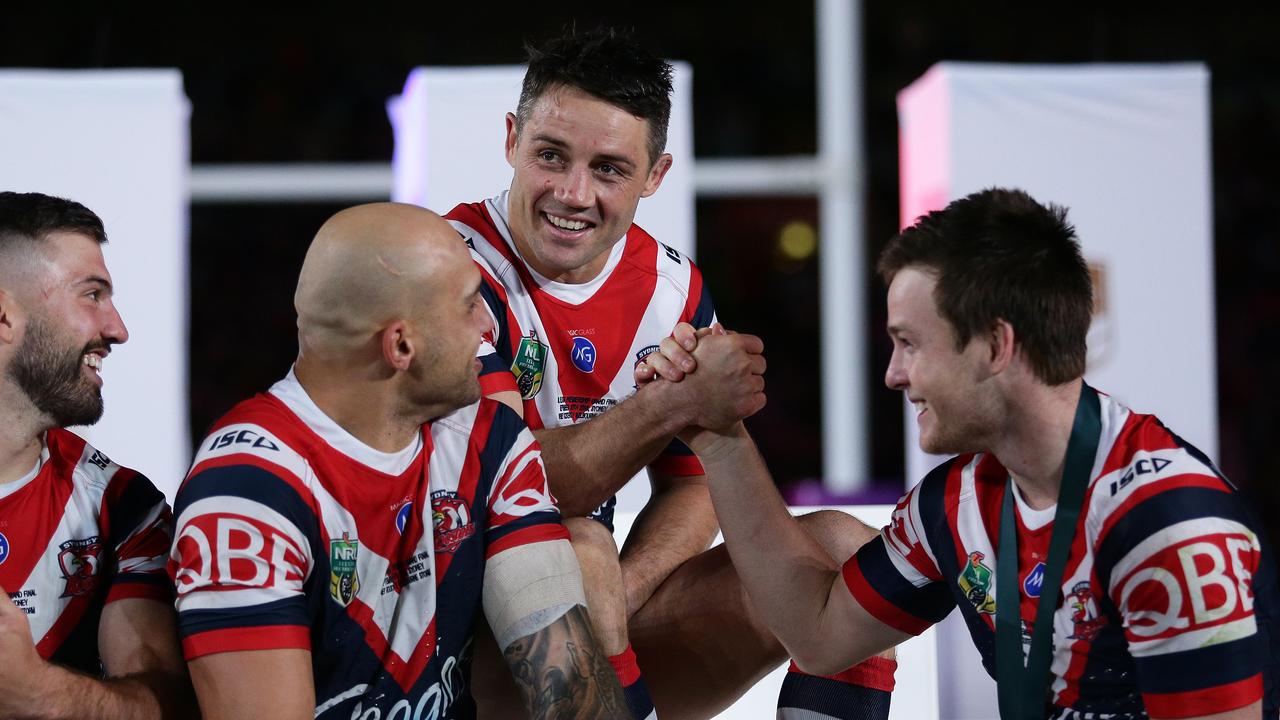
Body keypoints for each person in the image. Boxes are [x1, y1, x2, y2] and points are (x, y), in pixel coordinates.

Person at [644, 188, 1279, 719]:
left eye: (910, 344)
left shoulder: (1170, 527)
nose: (893, 374)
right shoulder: (953, 503)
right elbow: (817, 636)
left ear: (995, 346)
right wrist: (717, 433)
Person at [446, 26, 896, 719]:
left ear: (655, 176)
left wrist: (624, 595)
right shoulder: (446, 272)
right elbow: (514, 487)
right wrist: (668, 406)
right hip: (447, 643)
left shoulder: (672, 289)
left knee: (845, 555)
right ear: (511, 141)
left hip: (592, 625)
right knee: (580, 548)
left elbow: (699, 488)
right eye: (550, 155)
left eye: (609, 169)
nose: (573, 193)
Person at [168, 202, 629, 719]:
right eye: (470, 302)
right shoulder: (247, 493)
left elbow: (570, 685)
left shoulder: (488, 439)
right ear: (401, 345)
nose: (488, 322)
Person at [0, 191, 192, 718]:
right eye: (92, 295)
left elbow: (168, 701)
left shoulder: (123, 507)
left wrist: (38, 694)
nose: (117, 329)